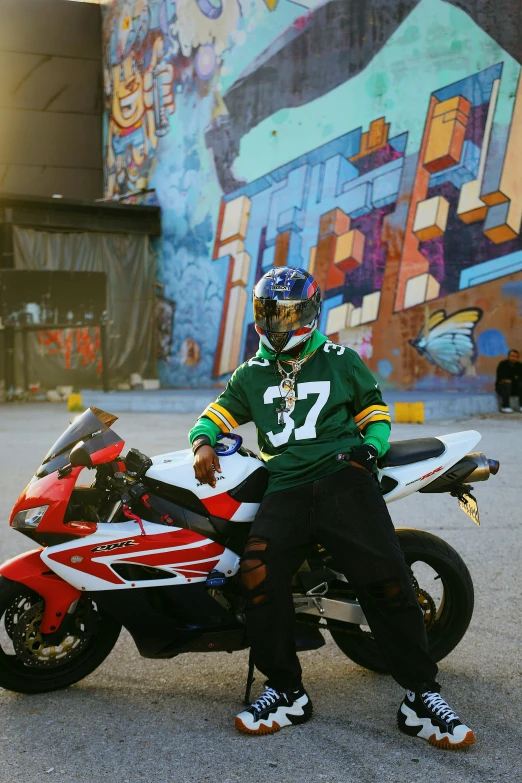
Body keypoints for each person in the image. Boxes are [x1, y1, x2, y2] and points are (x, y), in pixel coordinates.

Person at [189, 266, 475, 749]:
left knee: (386, 578)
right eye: (268, 313)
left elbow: (375, 412)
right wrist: (202, 443)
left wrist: (371, 450)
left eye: (287, 313)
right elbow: (215, 414)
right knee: (256, 575)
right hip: (285, 485)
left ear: (308, 312)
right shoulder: (250, 373)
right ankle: (285, 690)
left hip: (343, 476)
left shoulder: (341, 359)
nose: (277, 322)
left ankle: (421, 695)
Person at [495, 349, 522, 413]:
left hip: (515, 388)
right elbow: (501, 377)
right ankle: (505, 407)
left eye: (515, 356)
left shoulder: (519, 365)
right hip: (503, 387)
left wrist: (512, 378)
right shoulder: (503, 364)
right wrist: (513, 377)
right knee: (507, 384)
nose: (513, 358)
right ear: (508, 356)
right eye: (512, 356)